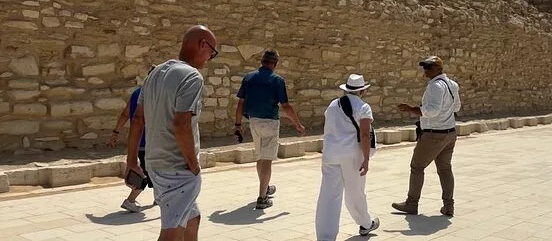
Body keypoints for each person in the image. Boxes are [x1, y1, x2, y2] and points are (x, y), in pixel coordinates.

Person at [125, 25, 218, 241]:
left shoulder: (154, 74)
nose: (209, 59)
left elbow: (137, 119)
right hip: (178, 168)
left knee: (192, 219)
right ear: (202, 44)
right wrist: (193, 164)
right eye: (212, 53)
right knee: (171, 232)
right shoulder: (192, 77)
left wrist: (131, 161)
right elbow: (181, 124)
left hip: (155, 164)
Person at [234, 49, 305, 209]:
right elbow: (285, 106)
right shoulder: (277, 80)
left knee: (260, 157)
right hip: (270, 122)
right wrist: (298, 125)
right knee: (267, 159)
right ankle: (262, 197)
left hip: (253, 121)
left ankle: (265, 187)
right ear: (275, 63)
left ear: (262, 61)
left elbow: (240, 103)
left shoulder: (248, 78)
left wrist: (237, 125)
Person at [392, 55, 461, 217]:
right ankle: (448, 206)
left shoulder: (435, 86)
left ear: (438, 69)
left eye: (429, 67)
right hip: (449, 132)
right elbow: (456, 107)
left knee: (417, 167)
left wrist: (412, 109)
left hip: (433, 134)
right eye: (425, 67)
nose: (426, 70)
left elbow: (432, 111)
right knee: (445, 169)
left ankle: (412, 203)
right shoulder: (452, 84)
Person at [315, 74, 380, 241]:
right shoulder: (363, 107)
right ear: (362, 91)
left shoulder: (332, 105)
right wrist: (366, 158)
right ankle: (365, 223)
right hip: (351, 154)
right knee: (355, 191)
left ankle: (325, 236)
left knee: (329, 195)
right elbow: (364, 134)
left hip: (330, 153)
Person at [108, 65, 156, 212]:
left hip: (138, 142)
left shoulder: (137, 93)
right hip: (151, 142)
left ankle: (159, 198)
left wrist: (116, 132)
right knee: (148, 172)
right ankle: (130, 200)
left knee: (153, 170)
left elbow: (125, 114)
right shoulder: (156, 95)